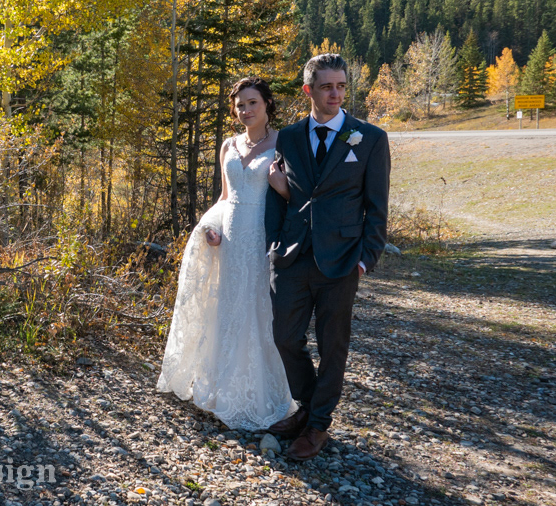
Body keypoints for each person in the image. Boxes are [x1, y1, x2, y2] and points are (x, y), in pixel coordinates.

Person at [264, 53, 390, 461]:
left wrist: (365, 259)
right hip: (293, 255)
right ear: (308, 91)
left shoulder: (369, 138)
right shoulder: (288, 136)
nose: (335, 94)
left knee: (333, 345)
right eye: (326, 86)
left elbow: (377, 208)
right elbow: (279, 197)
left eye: (340, 85)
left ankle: (317, 424)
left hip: (342, 259)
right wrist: (273, 244)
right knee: (284, 337)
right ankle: (306, 405)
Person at [157, 77, 297, 431]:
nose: (245, 110)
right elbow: (224, 198)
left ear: (267, 104)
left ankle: (259, 395)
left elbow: (297, 198)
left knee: (258, 312)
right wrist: (211, 229)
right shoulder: (228, 146)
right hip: (230, 240)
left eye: (252, 103)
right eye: (239, 105)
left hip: (263, 239)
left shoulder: (285, 143)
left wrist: (283, 189)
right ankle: (220, 390)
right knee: (225, 310)